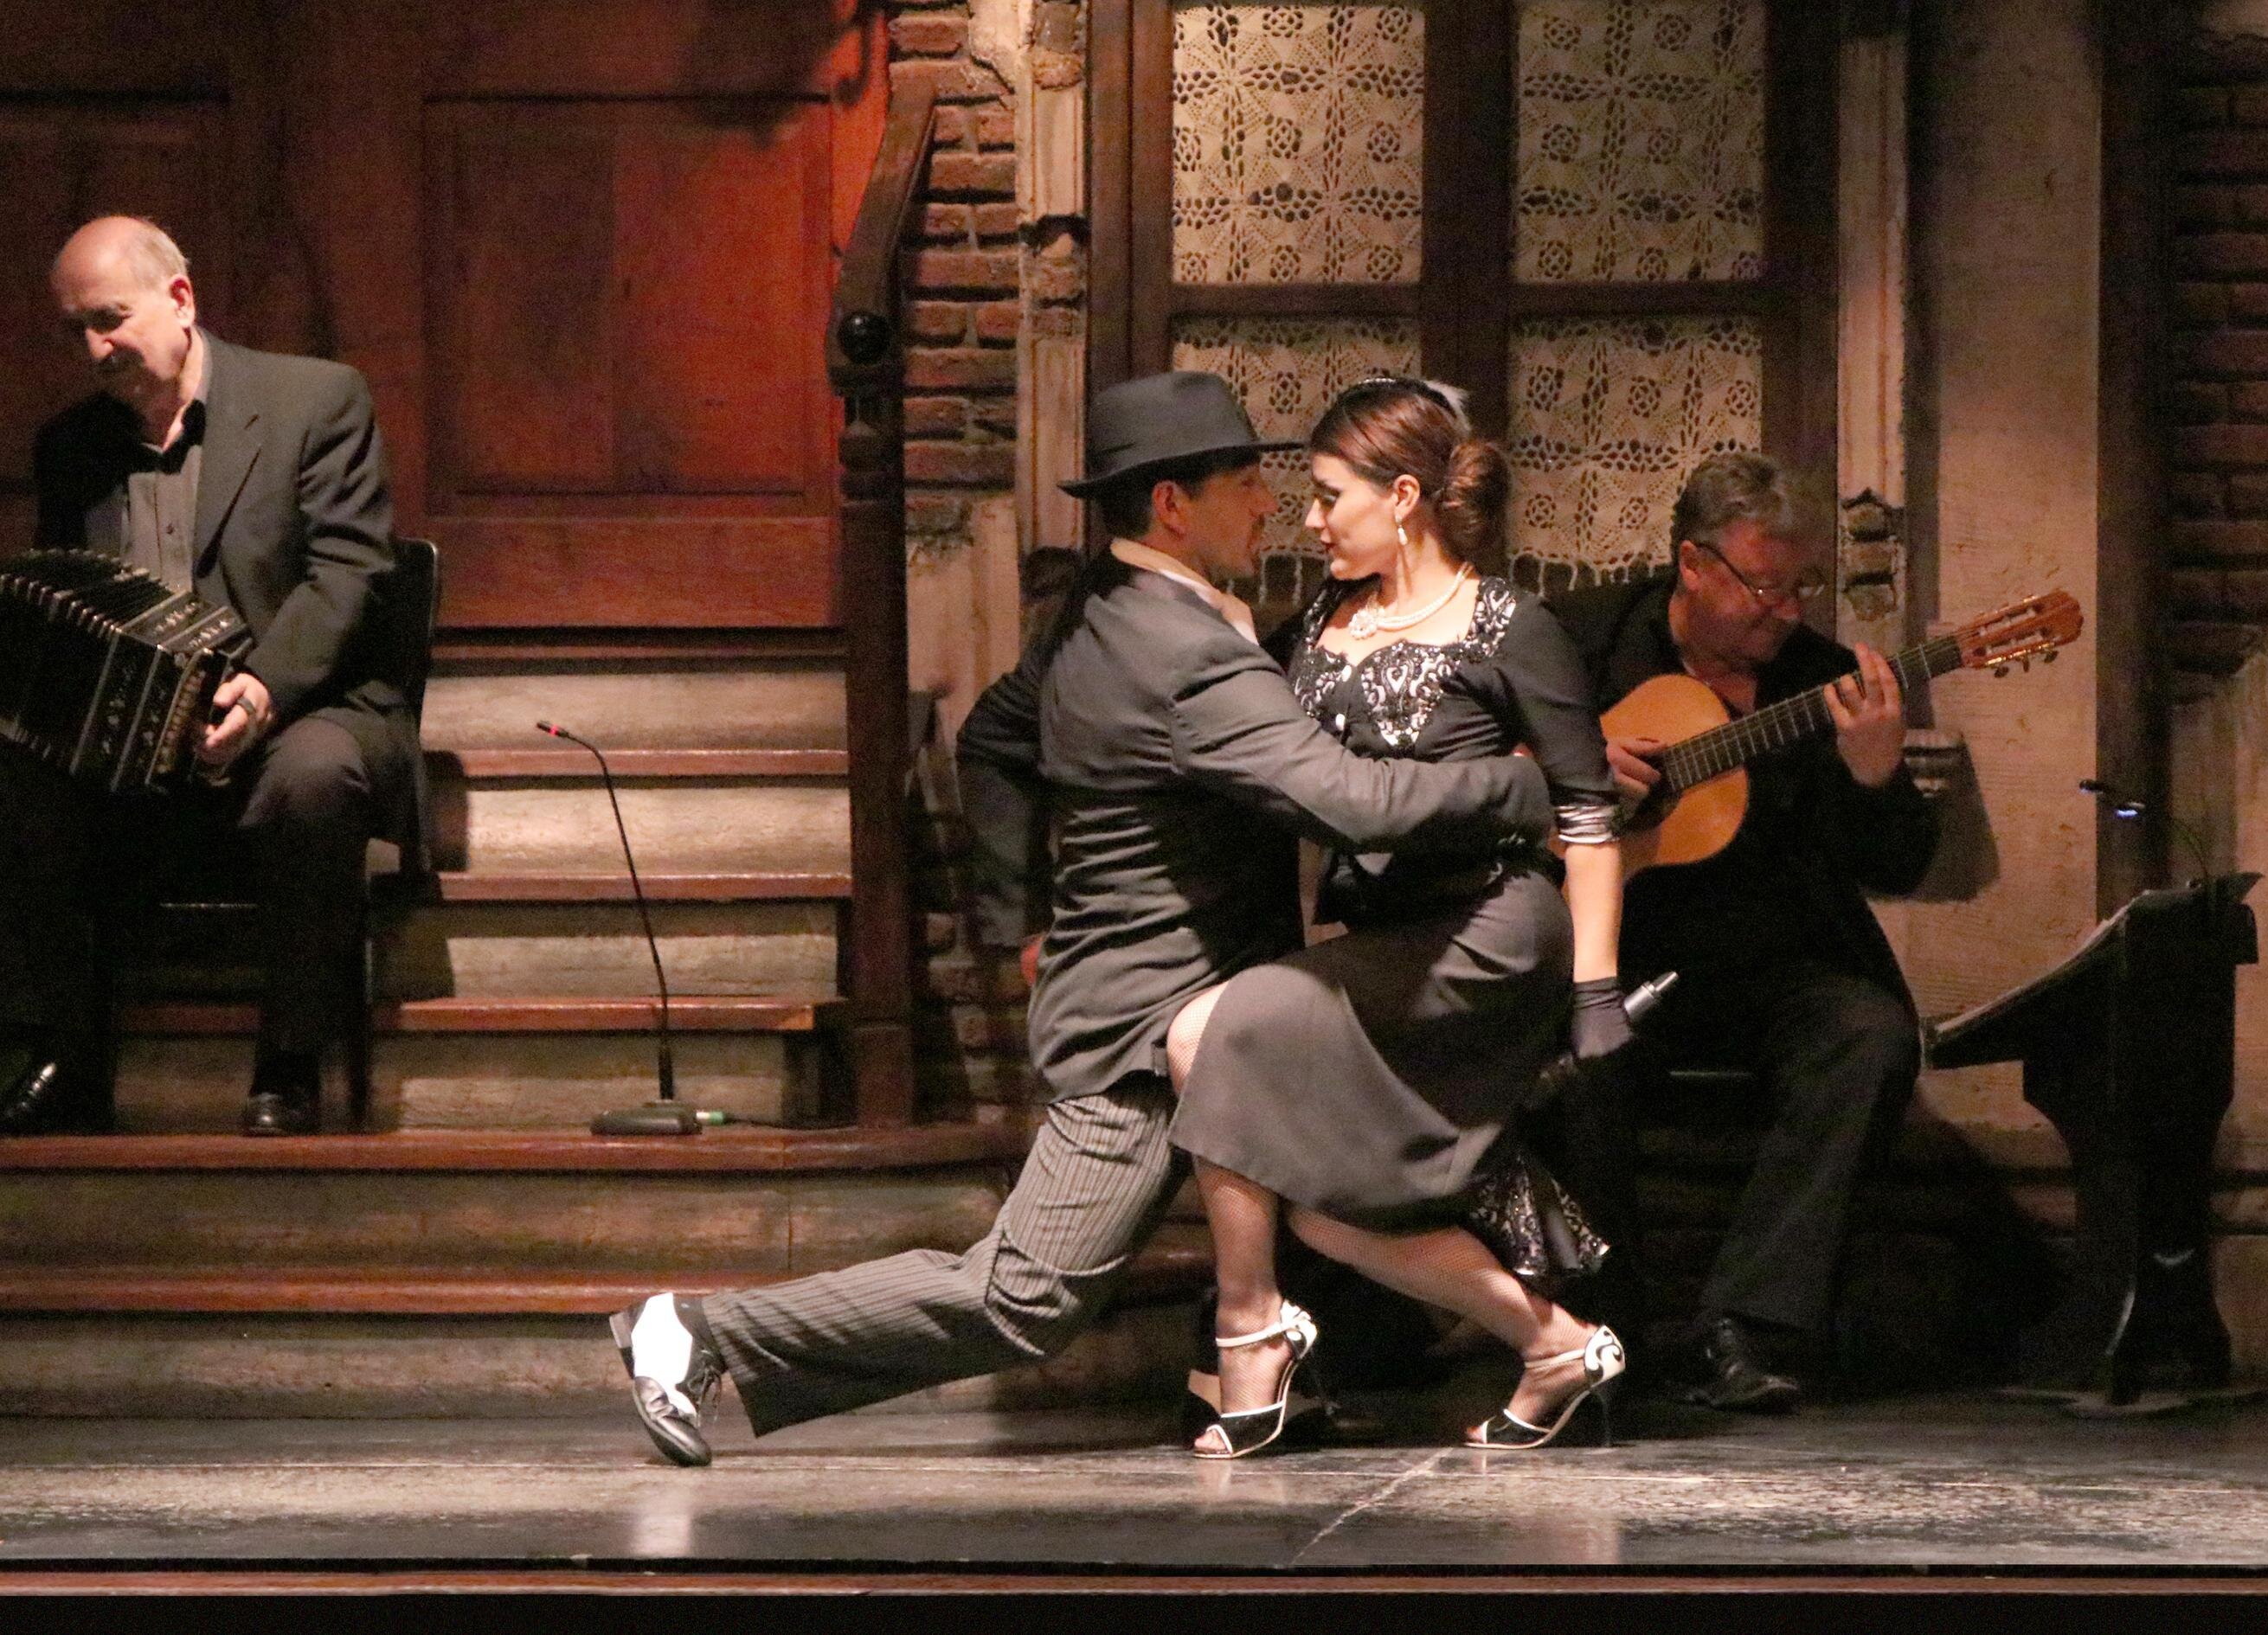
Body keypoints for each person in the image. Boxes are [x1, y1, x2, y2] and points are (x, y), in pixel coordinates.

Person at [607, 370, 1558, 1468]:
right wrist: (1521, 784)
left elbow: (996, 738)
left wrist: (1026, 914)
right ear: (1173, 504)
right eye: (1246, 484)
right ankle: (698, 1332)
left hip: (1207, 1004)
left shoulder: (1107, 606)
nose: (1270, 505)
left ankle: (1242, 1382)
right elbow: (1350, 800)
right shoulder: (1181, 652)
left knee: (1327, 1175)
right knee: (1029, 1296)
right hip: (1140, 1024)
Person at [1165, 376, 1633, 1457]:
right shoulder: (1319, 622)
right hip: (1381, 942)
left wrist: (1598, 990)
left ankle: (1251, 1331)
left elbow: (1588, 817)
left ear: (1405, 496)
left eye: (1331, 496)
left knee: (1203, 1034)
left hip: (1490, 935)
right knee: (1325, 1203)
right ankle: (1557, 1347)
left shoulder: (1512, 626)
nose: (1312, 519)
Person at [0, 215, 416, 1137]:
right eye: (76, 329)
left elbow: (350, 572)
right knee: (20, 775)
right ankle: (64, 1056)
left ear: (180, 299)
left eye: (110, 319)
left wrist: (262, 689)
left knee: (313, 776)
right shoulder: (72, 445)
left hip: (304, 704)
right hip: (142, 732)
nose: (94, 349)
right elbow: (71, 602)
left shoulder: (316, 400)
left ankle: (289, 1062)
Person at [1550, 450, 1939, 1412]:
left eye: (1802, 587)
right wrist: (1571, 767)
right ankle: (1597, 1335)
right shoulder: (1581, 642)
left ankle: (1747, 1329)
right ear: (1693, 564)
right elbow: (1467, 752)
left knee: (1869, 1038)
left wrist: (1875, 774)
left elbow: (1900, 865)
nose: (1788, 611)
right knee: (1567, 1067)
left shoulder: (1827, 681)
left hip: (1773, 965)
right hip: (1611, 959)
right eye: (1765, 587)